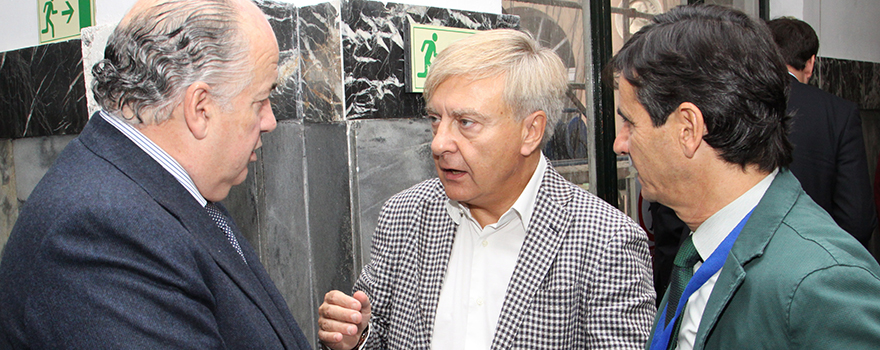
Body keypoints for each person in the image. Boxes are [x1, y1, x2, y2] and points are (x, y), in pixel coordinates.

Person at [0, 0, 311, 348]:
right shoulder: (102, 233)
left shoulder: (166, 185)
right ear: (200, 108)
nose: (269, 121)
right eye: (260, 100)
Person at [318, 29, 655, 350]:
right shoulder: (403, 217)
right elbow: (376, 334)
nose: (439, 143)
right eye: (436, 119)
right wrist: (355, 337)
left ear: (531, 131)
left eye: (466, 122)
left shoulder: (606, 241)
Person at [610, 5, 880, 350]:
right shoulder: (698, 248)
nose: (620, 143)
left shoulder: (823, 284)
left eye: (630, 122)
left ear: (688, 128)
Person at [767, 17, 877, 247]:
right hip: (813, 259)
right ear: (811, 63)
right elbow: (857, 220)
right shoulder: (839, 113)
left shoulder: (736, 103)